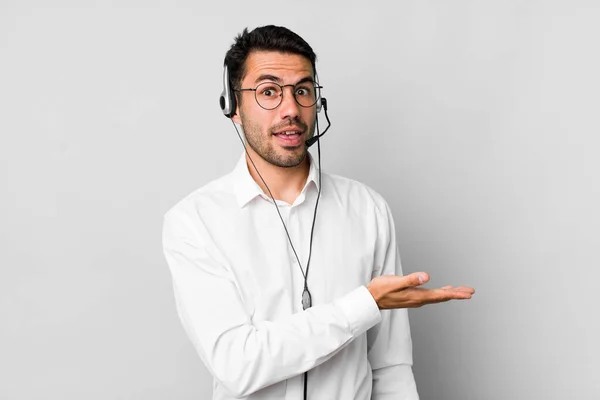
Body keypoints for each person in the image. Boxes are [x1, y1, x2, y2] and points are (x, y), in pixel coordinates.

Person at [162, 25, 475, 400]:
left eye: (303, 91)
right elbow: (237, 364)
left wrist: (367, 306)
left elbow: (390, 366)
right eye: (268, 92)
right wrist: (363, 304)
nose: (291, 109)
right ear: (233, 108)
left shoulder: (367, 208)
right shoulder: (194, 222)